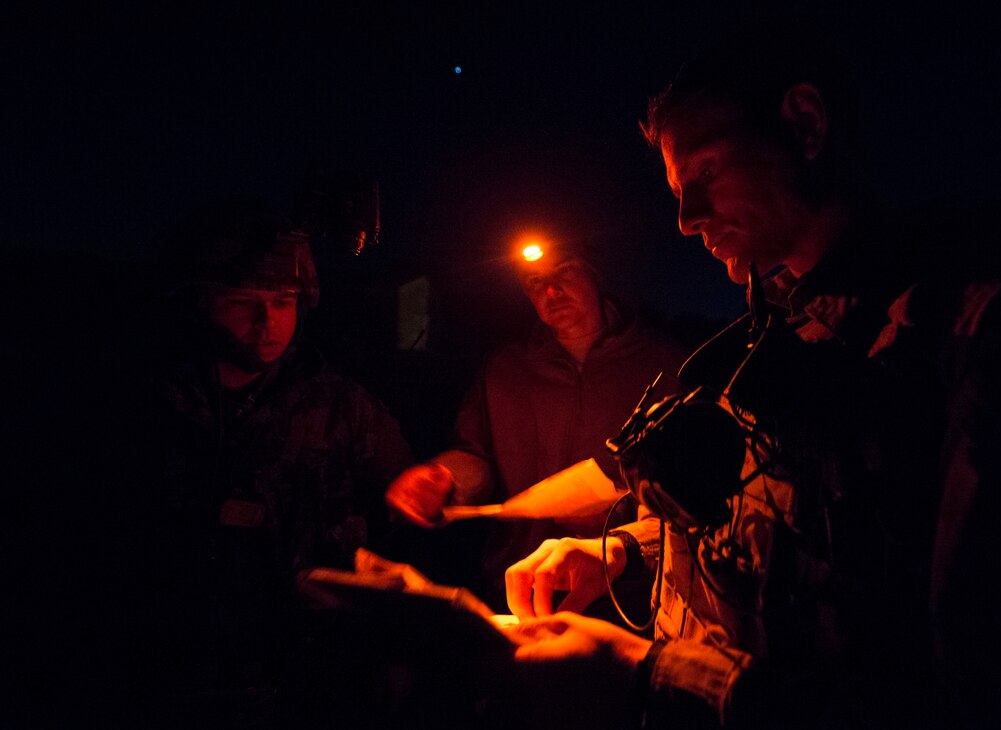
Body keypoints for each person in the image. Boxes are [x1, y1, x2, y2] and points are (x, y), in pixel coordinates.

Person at [502, 26, 1001, 730]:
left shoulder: (985, 337)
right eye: (678, 192)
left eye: (706, 175)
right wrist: (622, 553)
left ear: (804, 126)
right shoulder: (775, 335)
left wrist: (645, 675)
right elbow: (778, 532)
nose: (686, 221)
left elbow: (982, 688)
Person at [126, 197, 416, 725]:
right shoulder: (150, 409)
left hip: (320, 675)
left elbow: (408, 519)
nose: (267, 323)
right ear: (200, 302)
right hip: (186, 678)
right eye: (243, 301)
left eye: (283, 302)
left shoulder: (340, 406)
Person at [385, 236, 686, 611]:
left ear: (593, 273)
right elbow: (476, 452)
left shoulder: (662, 365)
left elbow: (689, 484)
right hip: (519, 584)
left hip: (626, 593)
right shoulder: (507, 368)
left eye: (564, 271)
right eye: (533, 281)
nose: (550, 290)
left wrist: (617, 523)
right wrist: (442, 477)